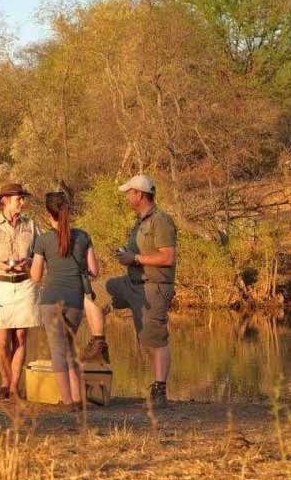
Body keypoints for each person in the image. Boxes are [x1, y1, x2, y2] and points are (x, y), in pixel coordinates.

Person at [106, 174, 177, 408]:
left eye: (129, 192)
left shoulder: (161, 221)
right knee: (99, 290)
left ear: (139, 194)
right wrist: (125, 254)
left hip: (154, 287)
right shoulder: (140, 222)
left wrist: (135, 258)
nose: (126, 196)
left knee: (155, 340)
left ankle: (160, 391)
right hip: (132, 283)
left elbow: (168, 257)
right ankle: (97, 342)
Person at [30, 192, 100, 410]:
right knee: (70, 347)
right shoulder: (83, 237)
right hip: (75, 300)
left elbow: (36, 276)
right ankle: (78, 399)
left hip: (51, 299)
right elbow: (94, 270)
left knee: (57, 350)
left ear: (47, 215)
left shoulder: (43, 240)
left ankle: (68, 401)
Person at [0, 183, 40, 400]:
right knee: (2, 340)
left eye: (22, 198)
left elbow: (40, 254)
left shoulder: (31, 225)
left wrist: (29, 262)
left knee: (20, 336)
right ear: (5, 201)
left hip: (25, 284)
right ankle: (5, 380)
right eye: (18, 198)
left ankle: (14, 386)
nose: (22, 202)